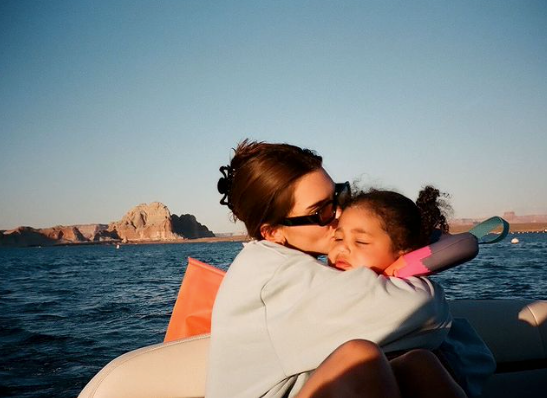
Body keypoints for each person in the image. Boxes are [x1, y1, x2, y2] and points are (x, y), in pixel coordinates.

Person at [206, 140, 465, 398]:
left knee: (417, 364)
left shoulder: (282, 264)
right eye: (321, 211)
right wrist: (401, 267)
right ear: (272, 231)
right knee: (360, 358)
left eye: (338, 196)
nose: (340, 213)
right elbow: (424, 312)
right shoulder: (274, 277)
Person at [328, 186, 496, 397]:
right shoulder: (320, 281)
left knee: (419, 362)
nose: (342, 249)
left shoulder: (412, 295)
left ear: (403, 252)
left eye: (360, 242)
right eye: (337, 238)